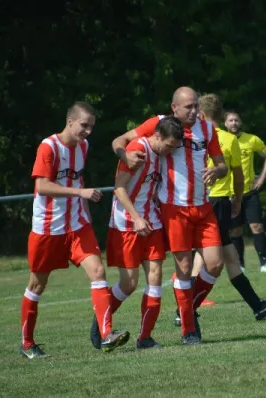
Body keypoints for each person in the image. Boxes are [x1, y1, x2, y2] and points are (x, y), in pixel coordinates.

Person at [112, 87, 227, 345]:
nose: (194, 111)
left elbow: (222, 164)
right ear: (174, 107)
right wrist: (125, 154)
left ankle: (186, 309)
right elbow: (119, 140)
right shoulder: (160, 124)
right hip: (174, 208)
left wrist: (217, 171)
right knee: (184, 269)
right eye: (188, 107)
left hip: (203, 206)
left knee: (215, 264)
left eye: (196, 106)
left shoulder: (207, 129)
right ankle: (189, 330)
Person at [20, 101, 128, 359]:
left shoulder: (84, 146)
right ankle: (26, 344)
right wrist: (81, 193)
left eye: (91, 126)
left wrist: (85, 213)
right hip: (48, 227)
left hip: (77, 225)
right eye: (84, 125)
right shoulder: (49, 147)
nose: (88, 131)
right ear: (70, 121)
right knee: (37, 285)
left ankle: (106, 336)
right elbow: (43, 186)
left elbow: (76, 178)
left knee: (98, 271)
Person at [89, 116, 184, 350]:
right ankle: (101, 325)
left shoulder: (161, 152)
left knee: (155, 276)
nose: (171, 151)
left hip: (151, 222)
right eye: (169, 146)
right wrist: (137, 217)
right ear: (158, 136)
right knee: (129, 283)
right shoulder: (137, 150)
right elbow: (119, 189)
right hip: (127, 223)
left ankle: (145, 338)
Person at [183, 93, 266, 320]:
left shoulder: (192, 137)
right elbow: (238, 176)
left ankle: (257, 306)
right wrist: (237, 200)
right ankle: (185, 310)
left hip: (201, 201)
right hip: (218, 203)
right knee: (210, 258)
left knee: (229, 257)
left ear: (202, 114)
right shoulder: (228, 139)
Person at [226, 112, 266, 273]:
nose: (233, 123)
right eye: (230, 120)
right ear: (225, 124)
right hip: (230, 194)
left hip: (249, 192)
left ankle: (264, 263)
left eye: (236, 120)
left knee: (257, 227)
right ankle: (240, 264)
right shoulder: (221, 140)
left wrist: (261, 179)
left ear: (240, 122)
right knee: (235, 230)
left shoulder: (252, 139)